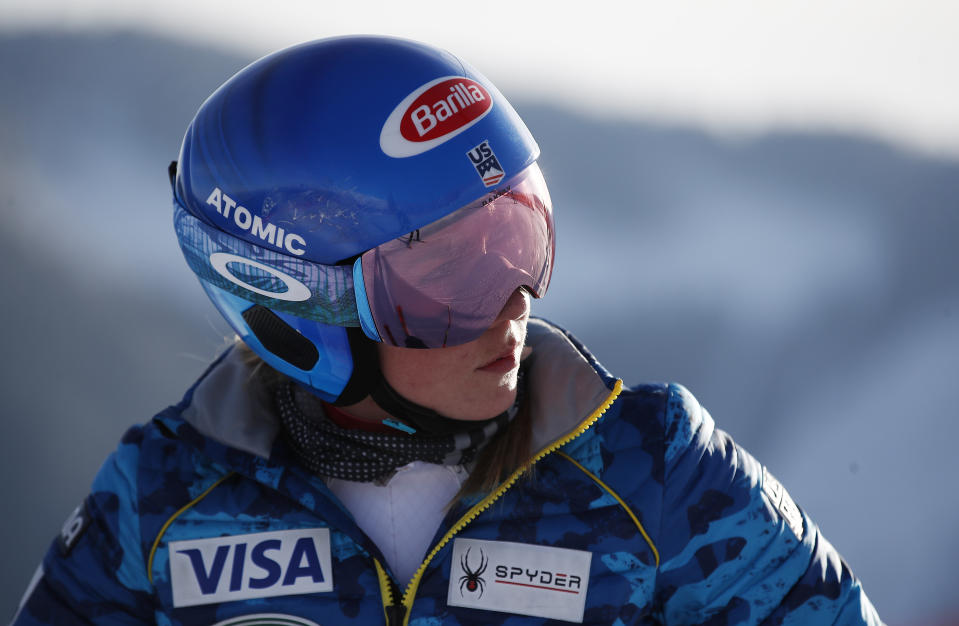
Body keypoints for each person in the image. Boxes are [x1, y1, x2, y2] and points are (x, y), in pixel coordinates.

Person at [13, 35, 882, 625]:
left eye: (514, 241)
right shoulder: (162, 503)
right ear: (297, 311)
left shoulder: (652, 475)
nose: (513, 303)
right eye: (446, 279)